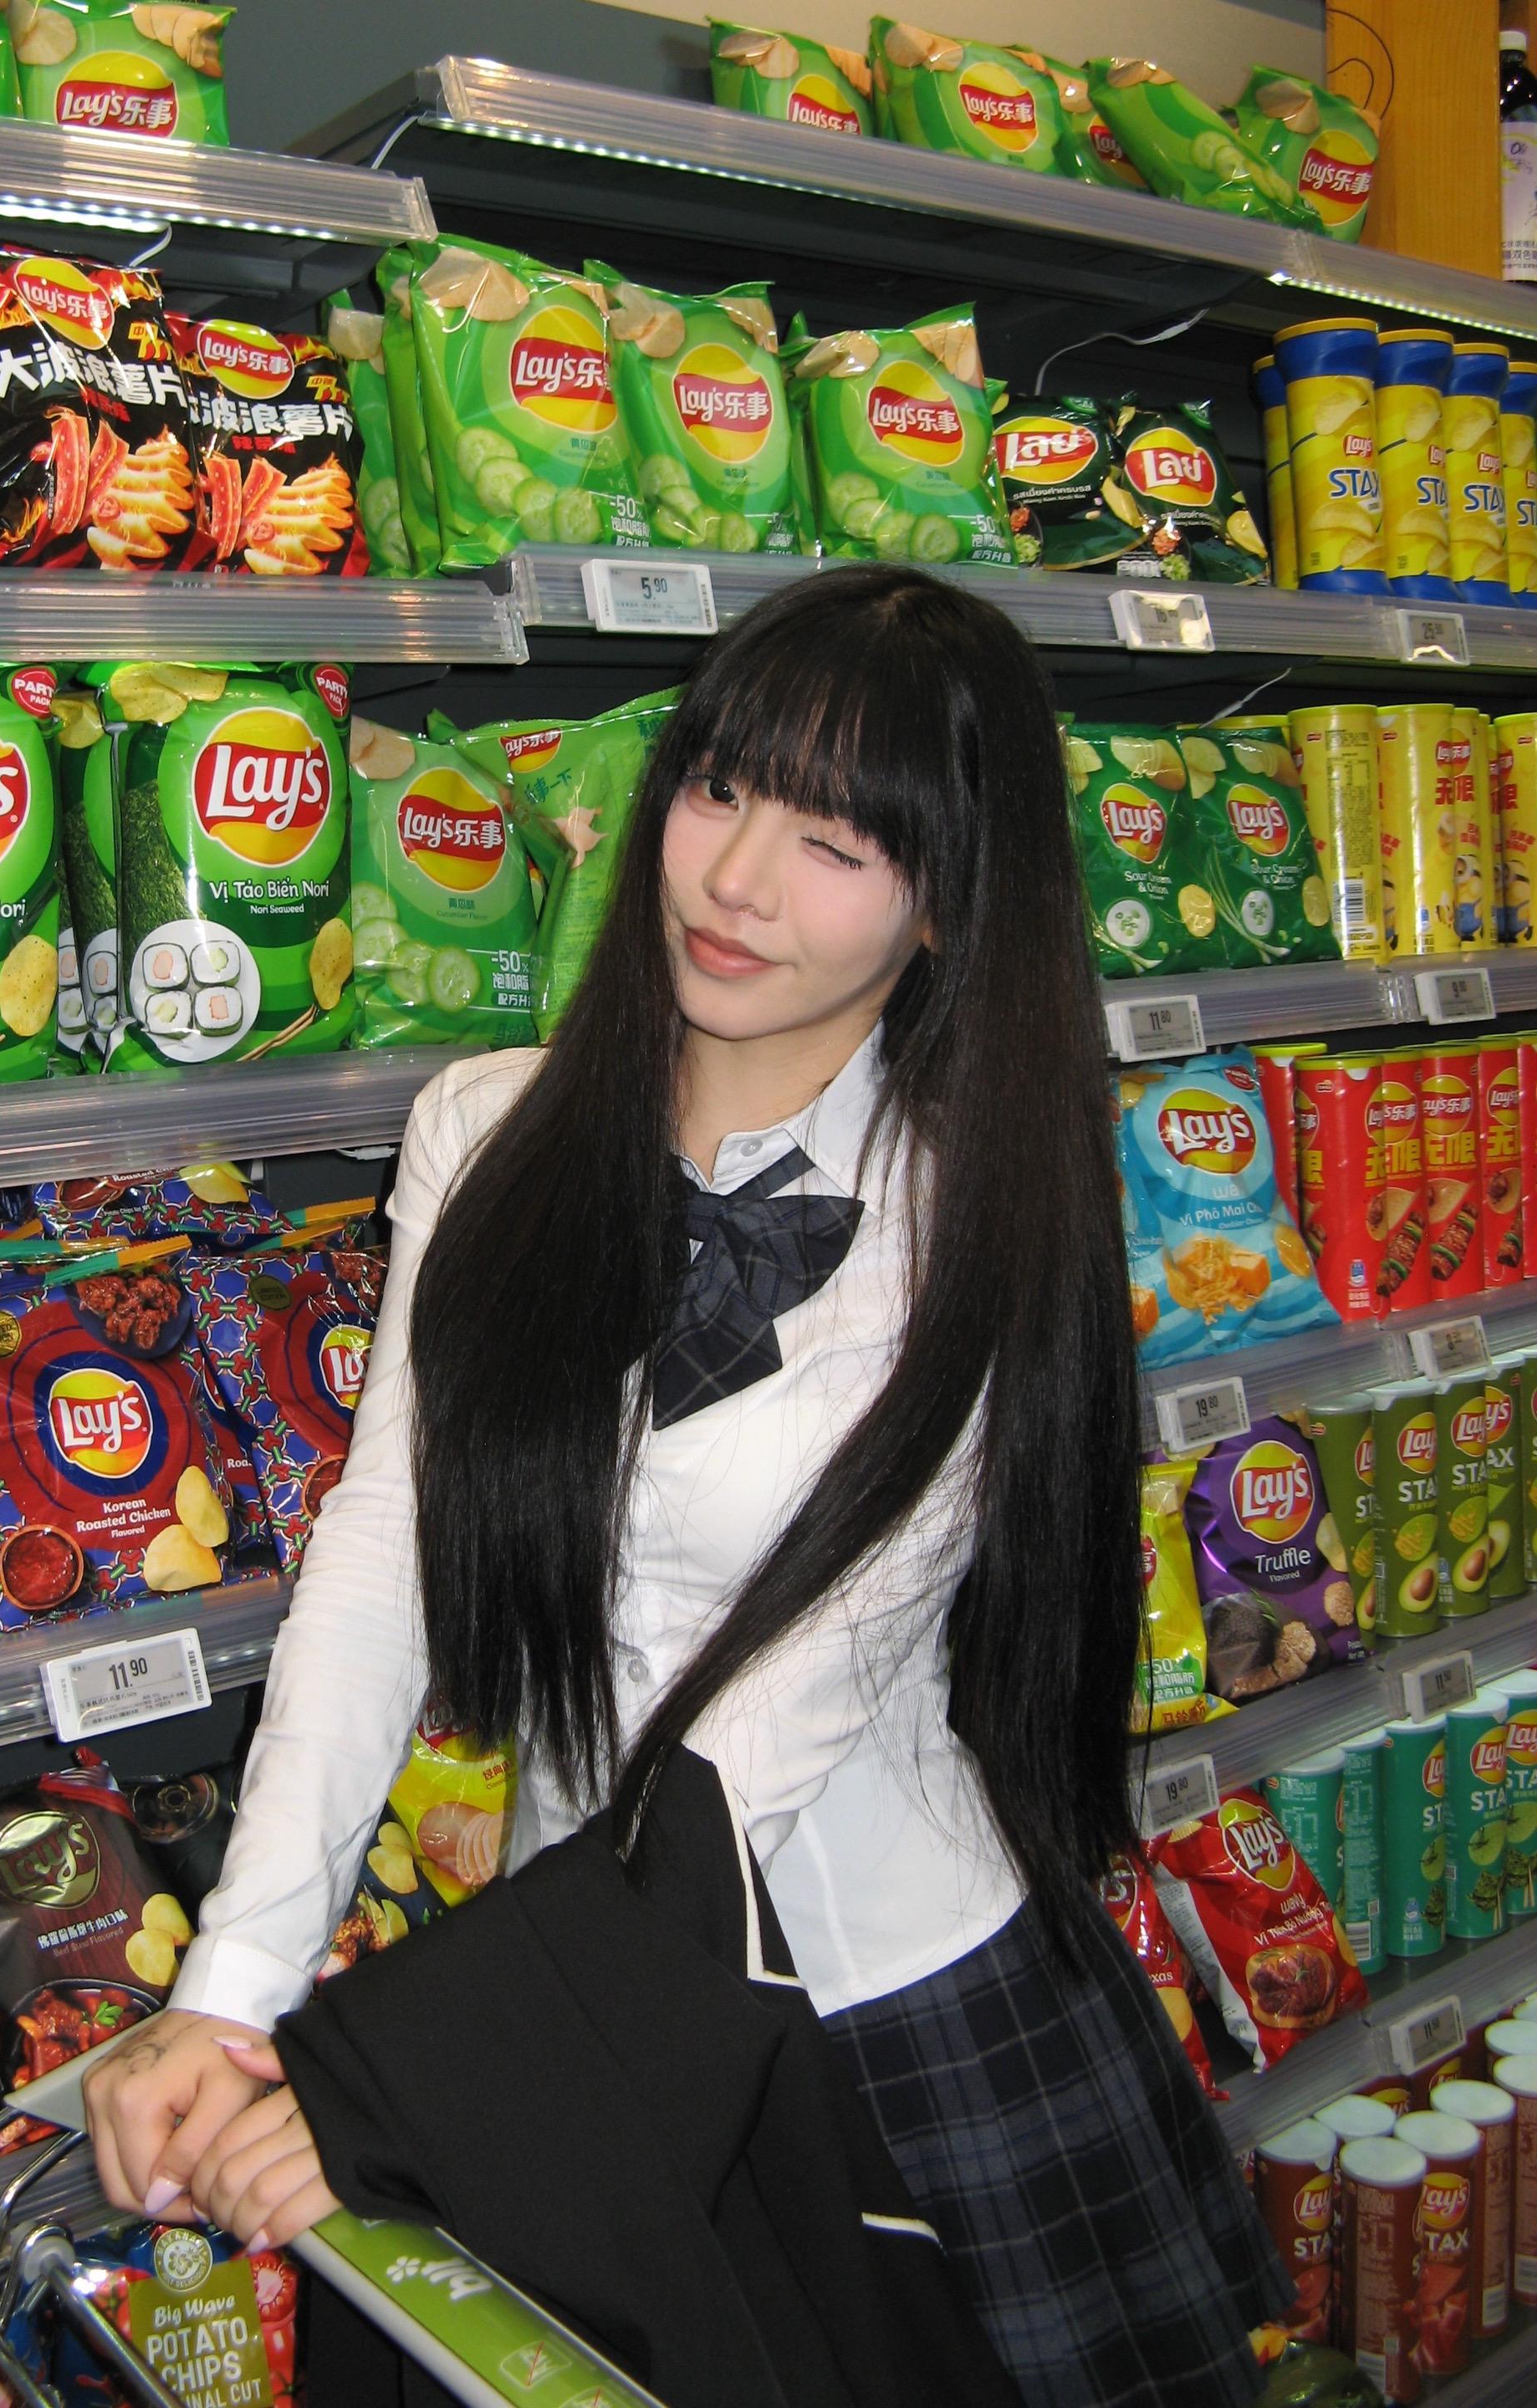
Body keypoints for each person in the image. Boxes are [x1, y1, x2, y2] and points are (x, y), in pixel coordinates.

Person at [87, 564, 1287, 2405]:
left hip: (900, 2024)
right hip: (565, 1974)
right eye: (720, 788)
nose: (733, 881)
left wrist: (426, 2083)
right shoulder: (487, 1129)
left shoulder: (982, 1225)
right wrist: (231, 1996)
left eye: (835, 844)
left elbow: (759, 1737)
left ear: (949, 901)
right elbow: (387, 1555)